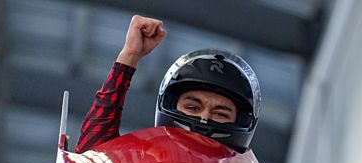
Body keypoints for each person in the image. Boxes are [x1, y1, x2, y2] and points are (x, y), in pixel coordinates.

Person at [74, 15, 261, 154]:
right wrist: (130, 55)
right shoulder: (142, 161)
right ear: (171, 104)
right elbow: (91, 157)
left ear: (241, 120)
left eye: (221, 114)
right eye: (192, 107)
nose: (204, 118)